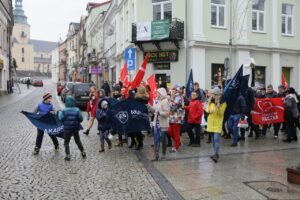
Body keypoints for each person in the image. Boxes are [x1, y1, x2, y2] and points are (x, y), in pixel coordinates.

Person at [58, 96, 86, 161]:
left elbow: (60, 119)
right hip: (75, 128)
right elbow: (81, 119)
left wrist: (59, 113)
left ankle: (68, 155)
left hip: (67, 129)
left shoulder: (63, 110)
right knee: (77, 140)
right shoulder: (77, 109)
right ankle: (83, 152)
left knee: (66, 142)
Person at [206, 87, 227, 163]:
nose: (214, 96)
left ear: (219, 95)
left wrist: (218, 107)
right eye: (213, 94)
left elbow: (221, 113)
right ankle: (215, 153)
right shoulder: (211, 102)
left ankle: (216, 155)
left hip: (218, 123)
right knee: (213, 141)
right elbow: (207, 110)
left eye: (215, 94)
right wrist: (208, 103)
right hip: (211, 123)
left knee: (216, 139)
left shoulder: (223, 103)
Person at [151, 88, 170, 161]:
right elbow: (154, 110)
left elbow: (167, 113)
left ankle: (163, 154)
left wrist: (160, 113)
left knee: (163, 140)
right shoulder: (158, 101)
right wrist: (149, 106)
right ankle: (156, 155)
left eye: (158, 93)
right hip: (156, 123)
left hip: (162, 124)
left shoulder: (165, 101)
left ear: (162, 93)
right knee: (156, 140)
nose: (156, 94)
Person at [168, 87, 185, 153]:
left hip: (177, 117)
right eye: (172, 89)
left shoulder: (179, 97)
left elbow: (173, 106)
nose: (172, 91)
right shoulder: (173, 97)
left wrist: (171, 99)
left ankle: (175, 147)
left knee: (176, 132)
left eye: (174, 90)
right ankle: (178, 142)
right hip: (172, 117)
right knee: (169, 131)